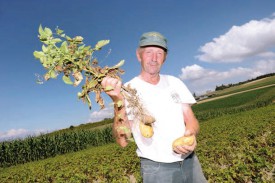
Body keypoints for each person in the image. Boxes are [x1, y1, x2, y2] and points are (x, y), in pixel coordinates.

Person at [101, 31, 207, 183]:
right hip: (157, 169)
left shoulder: (175, 82)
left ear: (165, 57)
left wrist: (191, 135)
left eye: (159, 53)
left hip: (190, 161)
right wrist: (118, 100)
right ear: (139, 55)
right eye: (148, 52)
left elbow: (191, 120)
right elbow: (123, 141)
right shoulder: (128, 90)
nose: (154, 58)